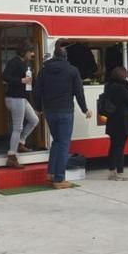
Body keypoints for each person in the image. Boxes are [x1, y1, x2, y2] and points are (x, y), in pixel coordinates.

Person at [33, 46, 92, 189]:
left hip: (49, 111)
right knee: (64, 144)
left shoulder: (44, 70)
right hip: (65, 110)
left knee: (57, 142)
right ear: (66, 57)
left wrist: (39, 108)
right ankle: (59, 179)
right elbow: (79, 92)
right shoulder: (72, 70)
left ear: (54, 56)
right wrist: (84, 109)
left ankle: (51, 174)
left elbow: (37, 91)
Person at [2, 41, 40, 169]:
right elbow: (5, 76)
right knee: (17, 127)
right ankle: (12, 156)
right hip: (14, 98)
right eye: (31, 51)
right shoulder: (14, 62)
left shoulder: (25, 64)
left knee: (34, 120)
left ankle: (20, 142)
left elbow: (28, 85)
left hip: (21, 97)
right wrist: (21, 80)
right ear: (25, 51)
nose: (33, 54)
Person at [104, 66, 128, 181]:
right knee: (120, 146)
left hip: (112, 119)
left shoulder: (108, 86)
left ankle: (112, 170)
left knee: (113, 145)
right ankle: (120, 171)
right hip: (122, 120)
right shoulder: (122, 88)